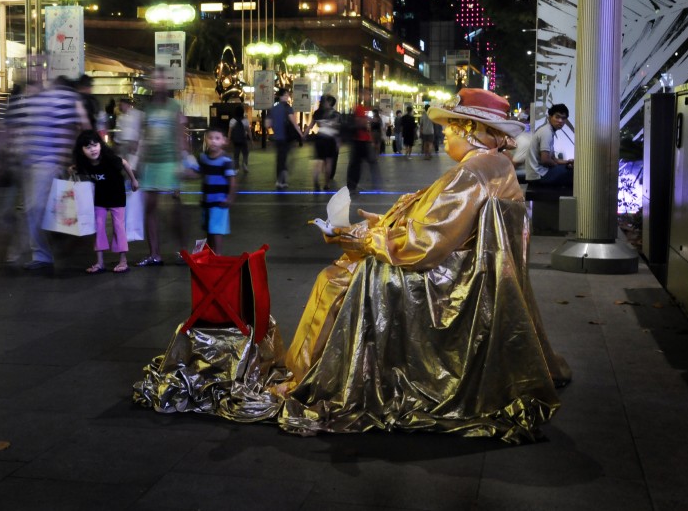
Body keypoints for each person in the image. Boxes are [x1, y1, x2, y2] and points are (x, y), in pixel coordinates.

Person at [135, 88, 571, 443]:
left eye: (452, 128)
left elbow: (426, 244)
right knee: (343, 268)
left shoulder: (473, 172)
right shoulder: (490, 166)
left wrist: (365, 238)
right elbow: (437, 226)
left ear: (473, 130)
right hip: (455, 268)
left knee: (336, 276)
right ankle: (305, 368)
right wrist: (382, 225)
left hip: (441, 278)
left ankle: (310, 377)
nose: (445, 136)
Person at [14, 75, 90, 271]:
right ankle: (46, 250)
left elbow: (78, 128)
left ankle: (45, 251)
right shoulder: (40, 103)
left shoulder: (65, 102)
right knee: (40, 208)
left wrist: (66, 157)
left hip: (49, 163)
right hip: (37, 163)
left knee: (38, 208)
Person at [136, 69, 189, 266]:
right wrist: (139, 162)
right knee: (150, 208)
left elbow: (180, 135)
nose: (158, 82)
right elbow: (144, 137)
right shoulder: (147, 109)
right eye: (155, 79)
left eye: (161, 78)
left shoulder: (174, 107)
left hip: (169, 162)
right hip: (151, 163)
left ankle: (183, 250)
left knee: (175, 208)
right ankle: (154, 254)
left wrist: (181, 162)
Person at [71, 129, 139, 274]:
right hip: (99, 198)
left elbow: (125, 163)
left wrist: (133, 180)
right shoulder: (85, 163)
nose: (92, 149)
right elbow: (77, 169)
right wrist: (72, 169)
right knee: (99, 227)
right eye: (88, 147)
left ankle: (123, 261)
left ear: (101, 145)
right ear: (81, 150)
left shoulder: (109, 158)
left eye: (95, 145)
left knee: (118, 226)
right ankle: (100, 262)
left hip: (116, 196)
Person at [193, 125, 237, 255]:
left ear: (224, 141)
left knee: (216, 230)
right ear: (206, 140)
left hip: (219, 201)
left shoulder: (226, 160)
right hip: (207, 200)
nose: (213, 141)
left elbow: (232, 180)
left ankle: (217, 255)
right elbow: (199, 173)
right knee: (209, 229)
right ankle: (211, 254)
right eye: (210, 138)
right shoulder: (203, 158)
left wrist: (230, 197)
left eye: (217, 138)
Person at [524, 103, 574, 187]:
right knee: (573, 173)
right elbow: (545, 160)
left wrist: (567, 162)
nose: (560, 121)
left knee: (568, 168)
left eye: (563, 118)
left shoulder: (549, 131)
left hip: (539, 173)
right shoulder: (546, 132)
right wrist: (558, 166)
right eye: (557, 117)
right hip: (538, 175)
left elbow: (553, 158)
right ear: (550, 117)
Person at [265, 87, 302, 189]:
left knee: (280, 159)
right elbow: (293, 122)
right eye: (286, 95)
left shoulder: (273, 108)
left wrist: (274, 128)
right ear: (282, 96)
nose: (287, 97)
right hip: (286, 137)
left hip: (277, 138)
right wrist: (300, 133)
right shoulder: (288, 108)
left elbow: (267, 124)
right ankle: (283, 179)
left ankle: (280, 180)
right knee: (286, 159)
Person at [345, 91, 381, 193]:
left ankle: (375, 184)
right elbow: (360, 122)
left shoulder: (366, 109)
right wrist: (367, 122)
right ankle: (352, 186)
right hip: (359, 141)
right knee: (356, 165)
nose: (368, 96)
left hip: (365, 140)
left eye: (369, 95)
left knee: (368, 163)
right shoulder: (359, 108)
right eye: (366, 94)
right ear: (361, 96)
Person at [307, 95, 339, 190]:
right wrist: (338, 142)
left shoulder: (318, 113)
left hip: (320, 138)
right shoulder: (336, 114)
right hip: (330, 139)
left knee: (318, 161)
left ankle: (316, 179)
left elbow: (310, 126)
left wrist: (303, 135)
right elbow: (337, 129)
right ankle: (327, 184)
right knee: (328, 162)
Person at [114, 98, 143, 171]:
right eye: (120, 105)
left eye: (122, 105)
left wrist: (137, 141)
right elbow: (118, 132)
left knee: (133, 166)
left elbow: (140, 128)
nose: (121, 107)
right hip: (123, 143)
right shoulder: (120, 117)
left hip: (133, 142)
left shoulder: (137, 114)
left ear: (127, 105)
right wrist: (117, 143)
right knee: (125, 166)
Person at [228, 107, 251, 173]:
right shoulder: (245, 120)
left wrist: (228, 140)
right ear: (242, 112)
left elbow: (229, 132)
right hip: (243, 139)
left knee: (236, 154)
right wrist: (251, 140)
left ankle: (236, 168)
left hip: (235, 140)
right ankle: (244, 165)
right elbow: (249, 131)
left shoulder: (232, 120)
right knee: (245, 153)